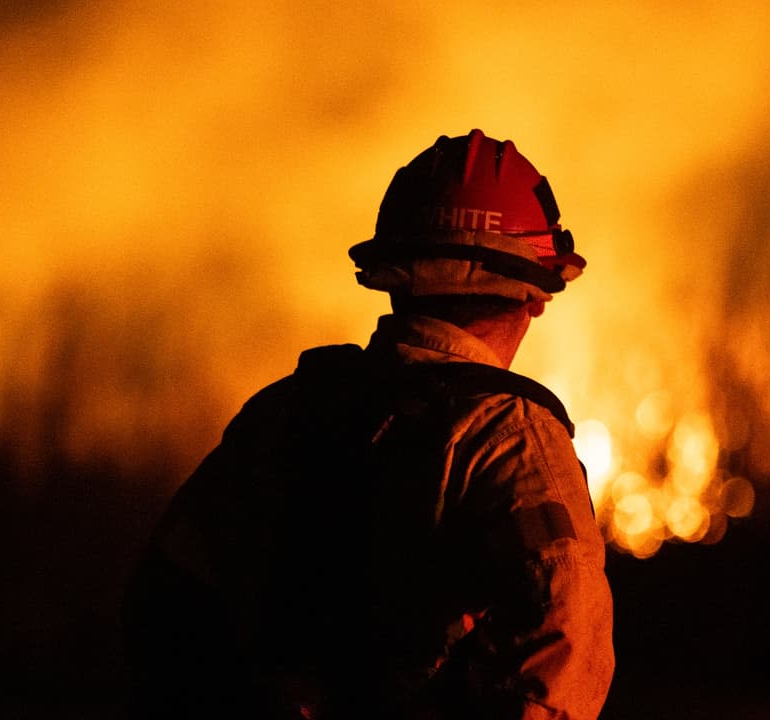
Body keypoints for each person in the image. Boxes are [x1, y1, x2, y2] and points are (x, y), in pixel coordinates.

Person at [122, 129, 615, 719]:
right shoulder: (511, 437)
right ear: (533, 293)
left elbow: (166, 600)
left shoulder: (283, 412)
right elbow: (562, 645)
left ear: (394, 272)